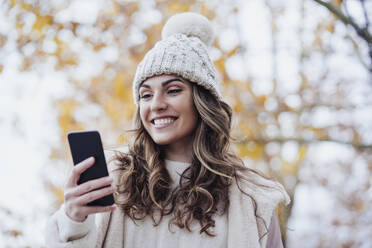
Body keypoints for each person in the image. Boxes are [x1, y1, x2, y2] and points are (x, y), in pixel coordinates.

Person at [45, 12, 290, 248]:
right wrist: (74, 220)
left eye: (173, 90)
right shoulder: (113, 179)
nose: (156, 104)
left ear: (202, 101)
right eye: (146, 95)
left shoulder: (251, 197)